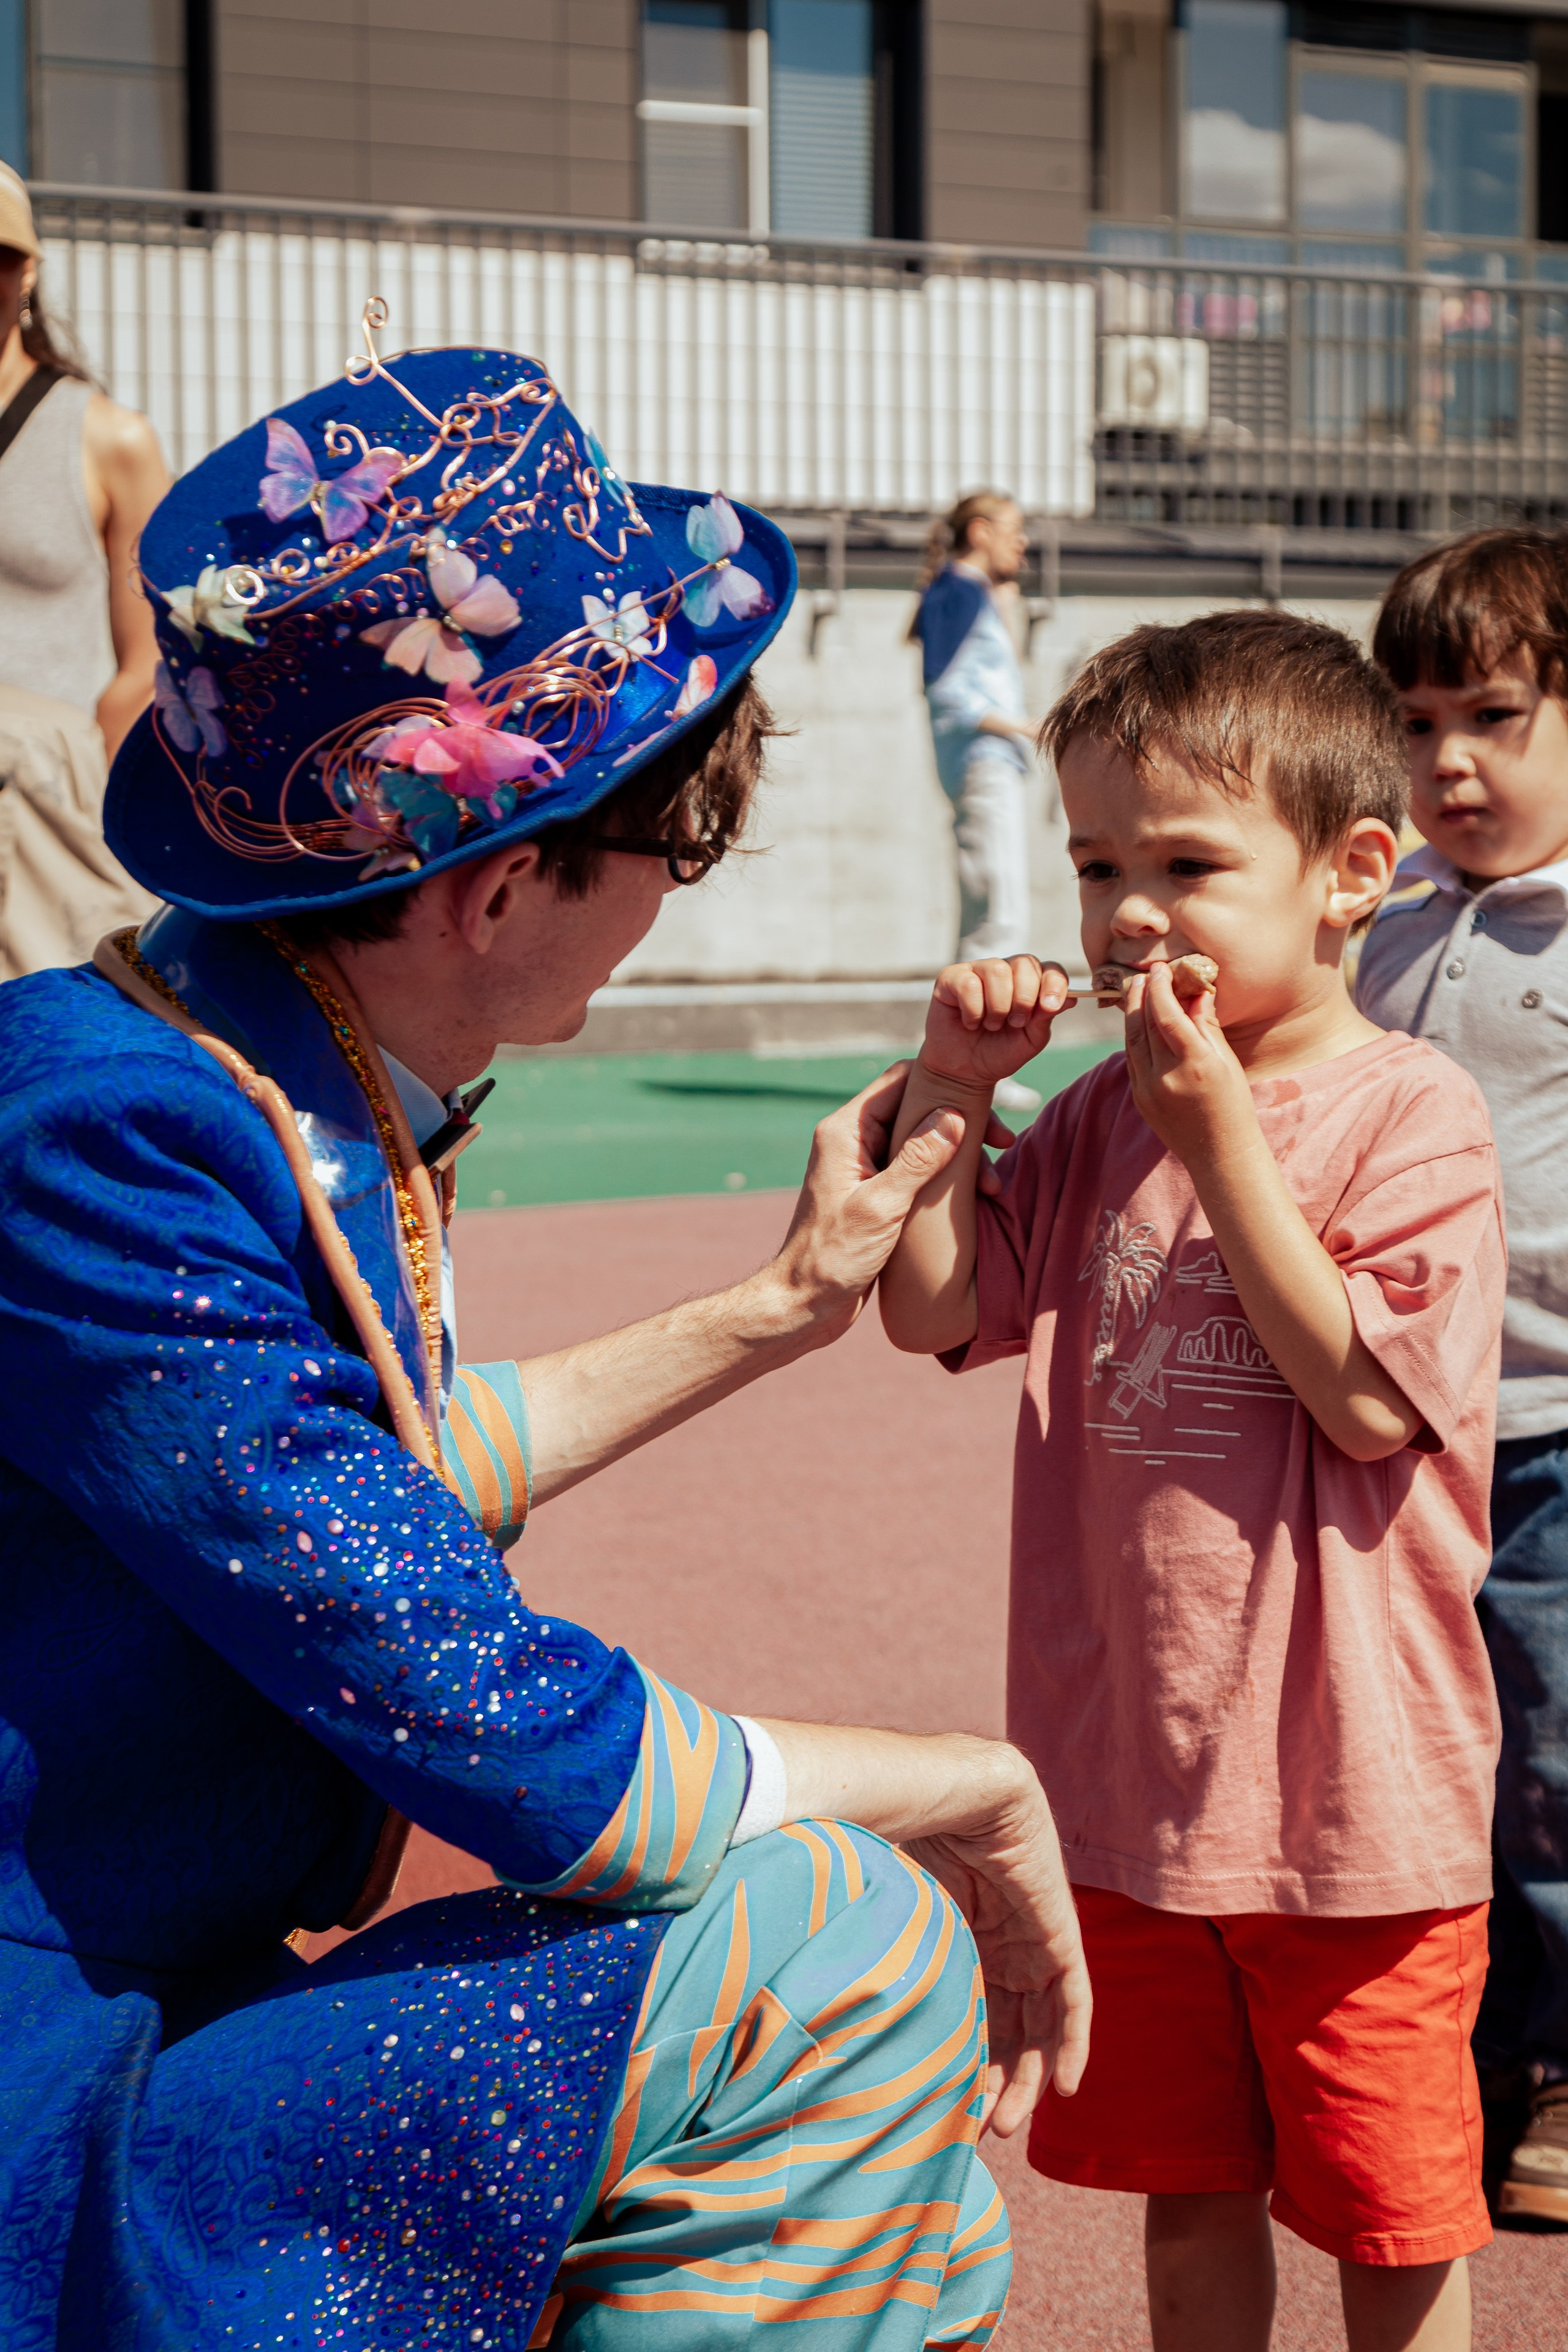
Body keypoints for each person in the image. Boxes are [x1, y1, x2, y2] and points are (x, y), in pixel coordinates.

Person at [0, 327, 1091, 2350]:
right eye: (677, 852)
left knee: (907, 2180)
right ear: (500, 888)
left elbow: (357, 1471)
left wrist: (778, 1308)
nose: (677, 898)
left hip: (123, 1972)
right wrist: (970, 1779)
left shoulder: (208, 1055)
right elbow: (521, 1743)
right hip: (49, 2088)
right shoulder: (110, 1142)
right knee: (842, 1952)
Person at [880, 611, 1507, 2352]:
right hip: (1131, 1784)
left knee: (1390, 2215)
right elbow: (934, 1307)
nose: (1127, 912)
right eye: (1097, 865)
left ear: (1351, 874)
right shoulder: (1094, 1115)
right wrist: (951, 1094)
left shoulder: (1414, 1115)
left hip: (1354, 1806)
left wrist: (1220, 1132)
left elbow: (1366, 1403)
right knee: (1186, 2189)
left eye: (1185, 864)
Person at [1357, 527, 1568, 2226]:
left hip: (1553, 1424)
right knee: (1421, 1749)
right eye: (1416, 724)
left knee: (1553, 1759)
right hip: (1388, 1423)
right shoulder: (1380, 915)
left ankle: (1555, 2058)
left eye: (1492, 717)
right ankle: (1467, 2041)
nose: (1449, 762)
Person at [0, 164, 165, 976]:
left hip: (42, 806)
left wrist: (97, 796)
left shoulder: (108, 438)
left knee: (46, 1031)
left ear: (28, 270)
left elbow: (148, 660)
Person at [910, 491, 1041, 1115]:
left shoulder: (968, 592)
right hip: (985, 762)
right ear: (982, 531)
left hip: (986, 762)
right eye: (1014, 529)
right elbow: (951, 694)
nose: (1023, 542)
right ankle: (969, 1062)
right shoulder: (959, 592)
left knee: (992, 907)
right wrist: (1022, 726)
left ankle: (962, 1059)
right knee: (999, 910)